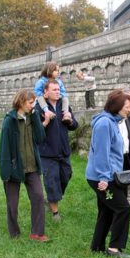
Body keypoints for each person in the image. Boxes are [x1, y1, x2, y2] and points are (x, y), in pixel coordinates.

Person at [86, 89, 130, 258]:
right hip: (102, 177)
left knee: (106, 210)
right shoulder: (105, 124)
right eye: (128, 106)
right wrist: (104, 178)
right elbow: (101, 153)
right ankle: (114, 249)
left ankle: (97, 246)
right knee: (122, 208)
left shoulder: (113, 121)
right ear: (117, 106)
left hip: (108, 175)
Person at [0, 89, 48, 242]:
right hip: (14, 168)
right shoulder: (9, 121)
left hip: (32, 167)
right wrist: (6, 172)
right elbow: (4, 148)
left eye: (33, 102)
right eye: (30, 102)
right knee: (12, 203)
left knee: (39, 197)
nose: (33, 105)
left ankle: (37, 233)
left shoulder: (32, 117)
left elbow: (40, 138)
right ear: (21, 102)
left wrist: (35, 117)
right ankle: (14, 233)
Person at [36, 80, 78, 222]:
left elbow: (74, 125)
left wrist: (70, 120)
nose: (57, 91)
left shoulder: (64, 106)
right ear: (45, 93)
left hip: (64, 151)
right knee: (51, 181)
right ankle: (55, 212)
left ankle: (52, 197)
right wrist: (45, 122)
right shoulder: (39, 109)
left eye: (58, 89)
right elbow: (35, 133)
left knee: (66, 176)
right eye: (54, 89)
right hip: (47, 154)